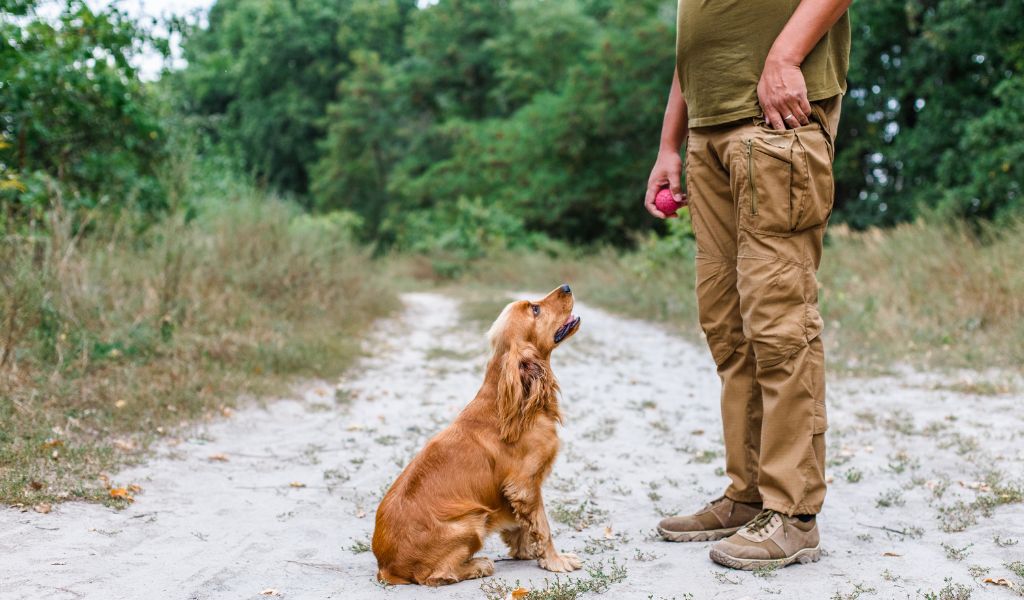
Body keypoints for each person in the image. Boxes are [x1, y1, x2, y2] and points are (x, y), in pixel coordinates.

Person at [645, 0, 852, 570]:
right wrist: (670, 141)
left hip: (775, 117)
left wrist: (785, 56)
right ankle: (749, 496)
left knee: (779, 322)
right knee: (728, 327)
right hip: (708, 128)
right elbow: (697, 38)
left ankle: (794, 515)